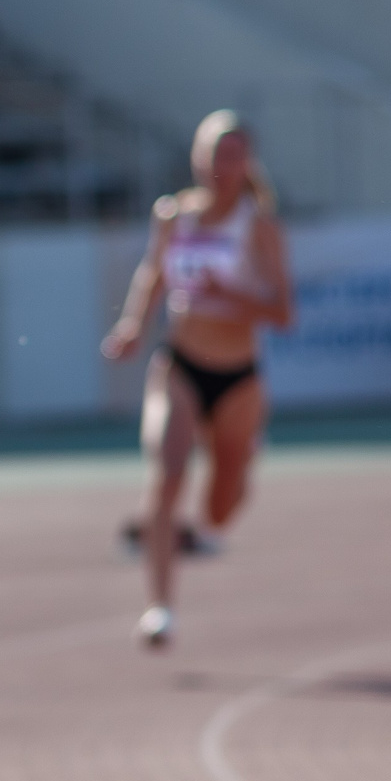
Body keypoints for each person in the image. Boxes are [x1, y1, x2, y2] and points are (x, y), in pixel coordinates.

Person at [101, 111, 294, 651]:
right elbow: (152, 274)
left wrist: (229, 296)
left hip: (238, 379)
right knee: (167, 476)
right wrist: (132, 326)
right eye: (214, 154)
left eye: (234, 156)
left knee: (218, 511)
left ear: (246, 164)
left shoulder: (260, 226)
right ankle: (160, 608)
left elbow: (284, 313)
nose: (222, 166)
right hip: (180, 366)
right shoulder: (173, 216)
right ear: (197, 158)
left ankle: (240, 463)